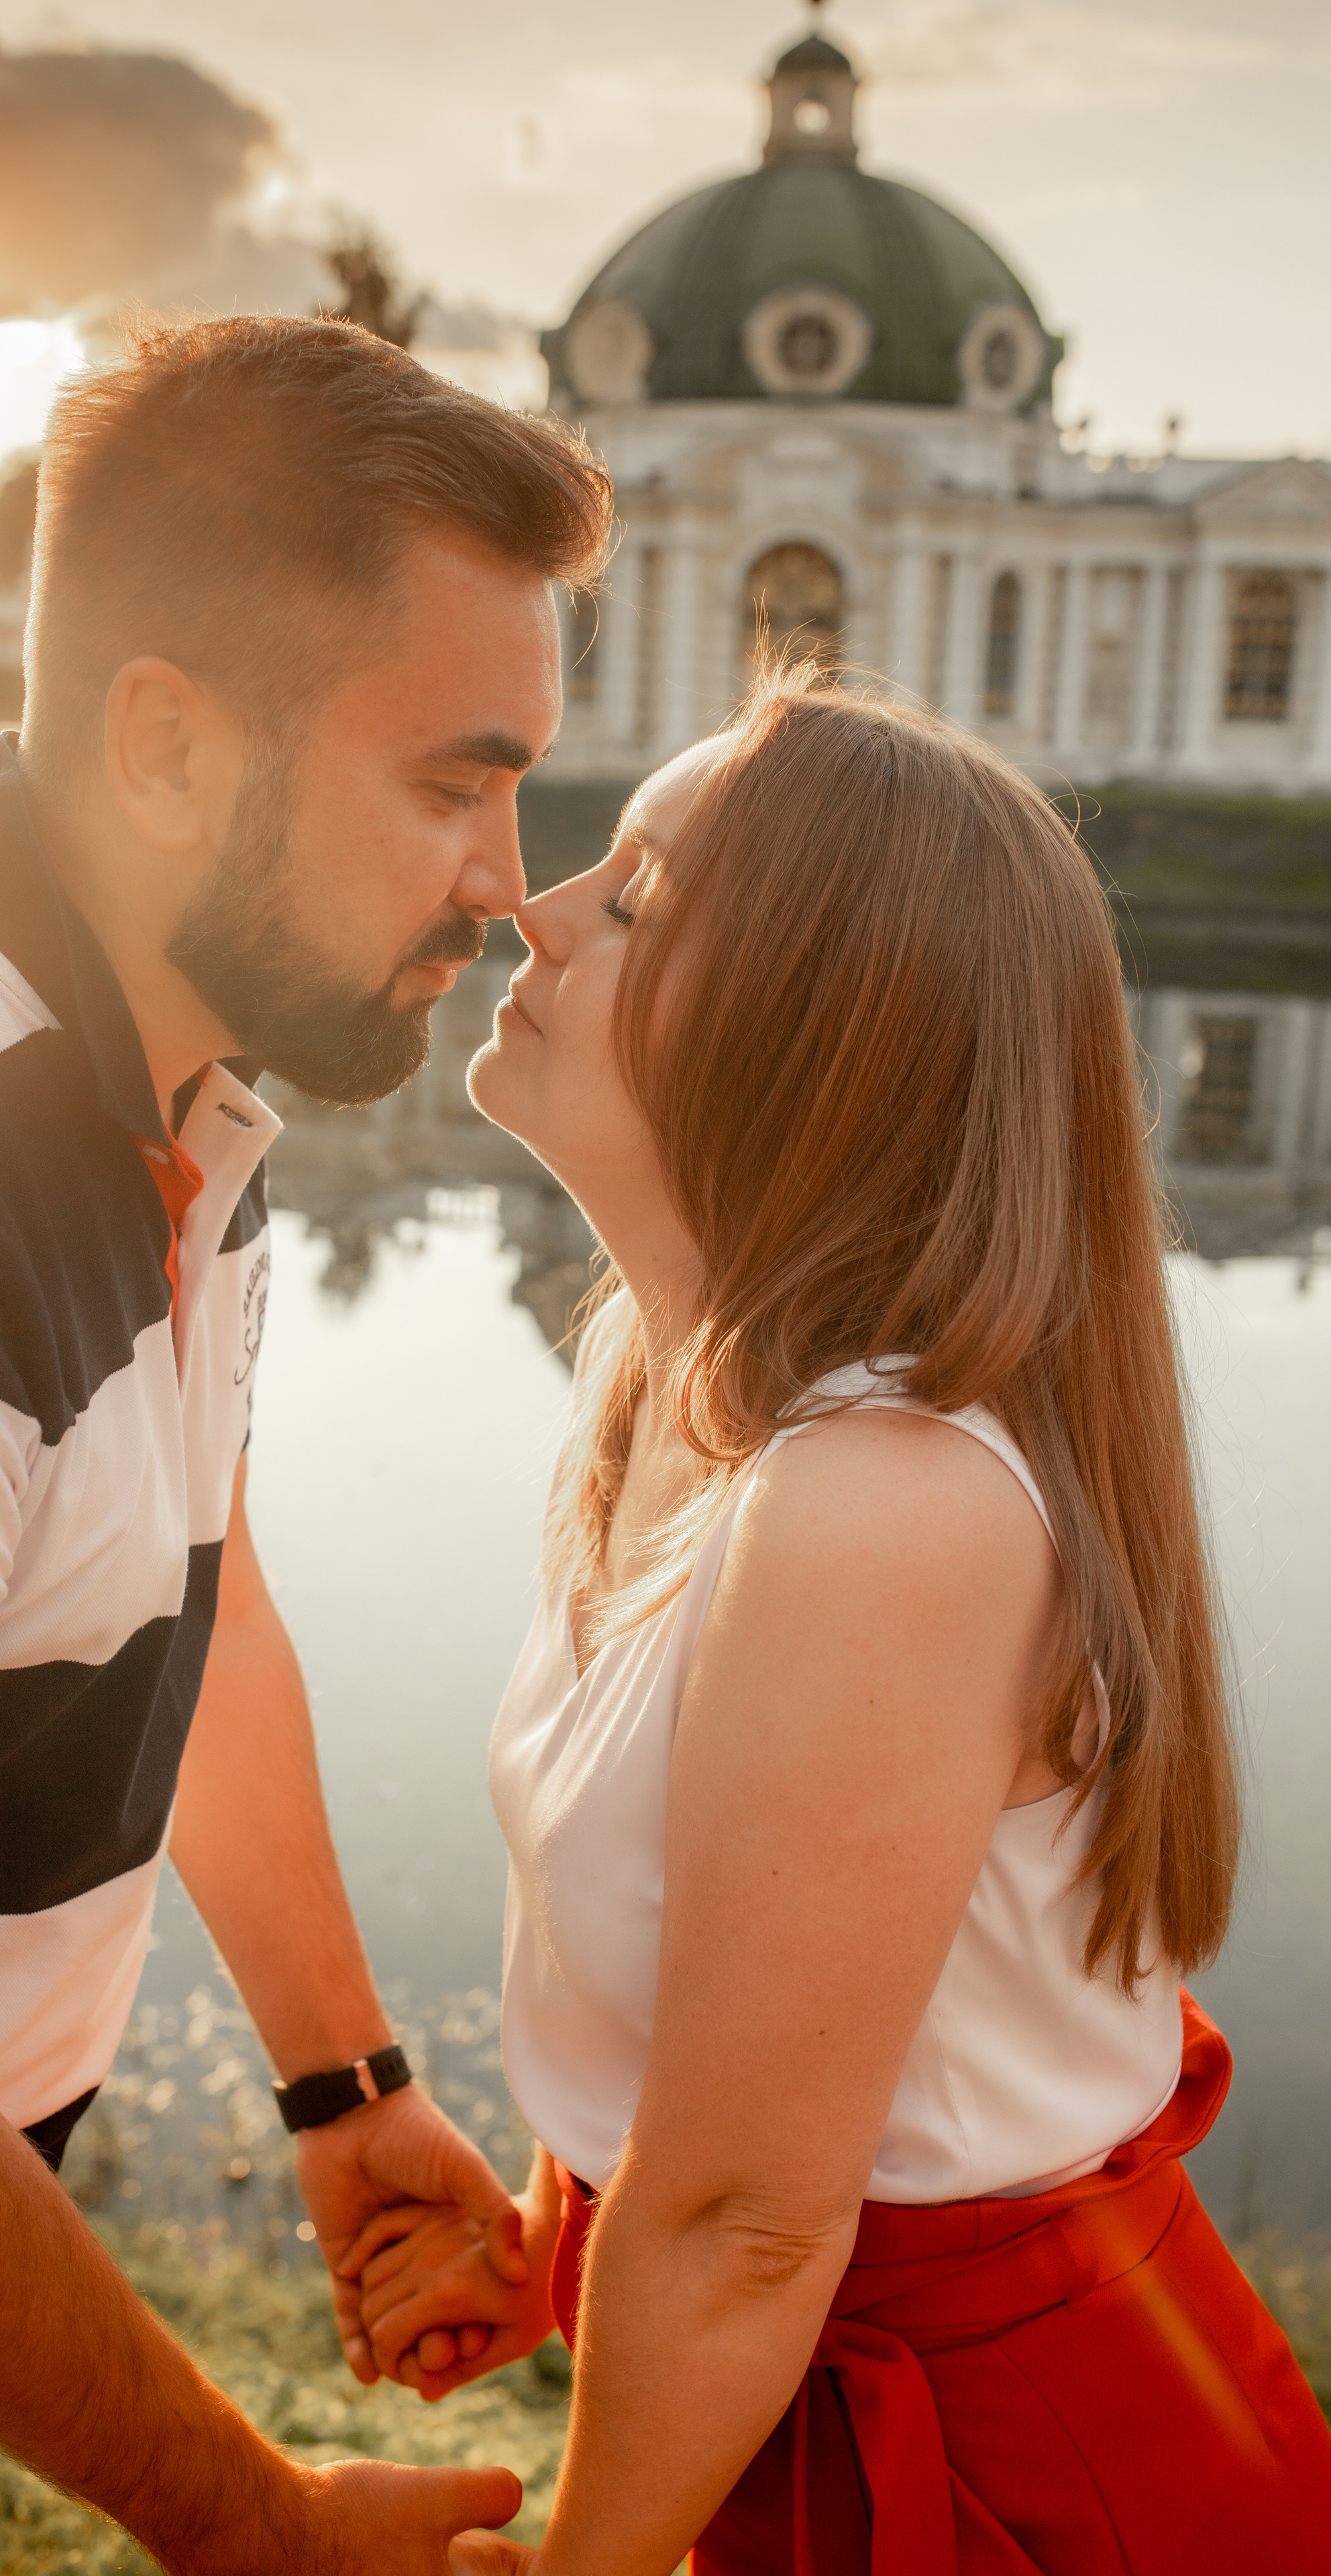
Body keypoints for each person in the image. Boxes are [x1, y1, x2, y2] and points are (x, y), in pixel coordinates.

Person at [0, 314, 610, 2574]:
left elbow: (198, 1595)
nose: (507, 884)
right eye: (453, 783)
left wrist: (345, 2088)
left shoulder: (171, 1086)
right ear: (166, 748)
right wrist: (260, 2530)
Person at [348, 672, 1331, 2573]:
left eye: (634, 902)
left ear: (821, 1035)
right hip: (784, 2377)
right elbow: (737, 2091)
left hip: (1015, 2481)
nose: (531, 909)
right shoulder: (663, 1374)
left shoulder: (880, 1501)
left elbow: (756, 2221)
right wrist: (563, 2245)